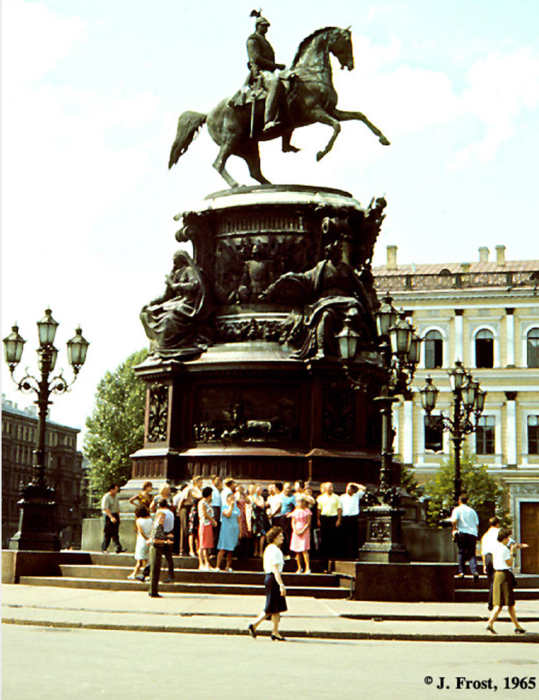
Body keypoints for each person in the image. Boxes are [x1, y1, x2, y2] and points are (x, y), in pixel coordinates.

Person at [246, 12, 286, 132]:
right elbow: (256, 58)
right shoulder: (253, 39)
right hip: (260, 72)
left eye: (267, 26)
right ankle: (268, 120)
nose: (266, 28)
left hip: (269, 71)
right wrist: (276, 65)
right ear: (258, 26)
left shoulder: (264, 40)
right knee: (274, 83)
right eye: (264, 26)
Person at [247, 526, 287, 641]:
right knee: (271, 607)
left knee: (276, 607)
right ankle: (254, 624)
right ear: (274, 538)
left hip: (269, 578)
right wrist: (281, 585)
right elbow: (275, 570)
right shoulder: (275, 551)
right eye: (280, 536)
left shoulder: (269, 549)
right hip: (274, 578)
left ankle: (275, 631)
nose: (282, 538)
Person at [486, 529, 526, 634]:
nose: (508, 539)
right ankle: (490, 623)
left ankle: (516, 625)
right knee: (508, 602)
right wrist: (512, 552)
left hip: (497, 574)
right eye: (507, 537)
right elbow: (509, 563)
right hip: (504, 575)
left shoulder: (495, 548)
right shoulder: (505, 550)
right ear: (504, 538)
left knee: (500, 603)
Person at [147, 498, 175, 598]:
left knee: (156, 570)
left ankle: (154, 590)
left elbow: (158, 536)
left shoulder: (160, 526)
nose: (162, 520)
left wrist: (167, 536)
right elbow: (154, 540)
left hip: (158, 547)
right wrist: (165, 541)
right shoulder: (157, 526)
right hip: (156, 548)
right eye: (161, 518)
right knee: (154, 570)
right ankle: (152, 591)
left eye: (163, 518)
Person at [450, 493, 479, 581]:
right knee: (471, 553)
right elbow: (477, 524)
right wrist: (476, 533)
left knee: (461, 552)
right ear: (467, 501)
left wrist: (454, 530)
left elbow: (454, 520)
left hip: (462, 532)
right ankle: (474, 570)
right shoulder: (472, 511)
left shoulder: (457, 509)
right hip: (472, 533)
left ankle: (461, 571)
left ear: (459, 501)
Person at [339, 482, 366, 559]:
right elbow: (340, 508)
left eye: (350, 489)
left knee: (354, 537)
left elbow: (364, 488)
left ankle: (354, 555)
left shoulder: (356, 496)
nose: (348, 490)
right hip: (345, 518)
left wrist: (354, 484)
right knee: (344, 537)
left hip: (354, 518)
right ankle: (345, 555)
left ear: (353, 490)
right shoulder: (342, 497)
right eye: (347, 488)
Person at [317, 481, 342, 561]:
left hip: (333, 518)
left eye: (331, 487)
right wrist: (318, 519)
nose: (330, 489)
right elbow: (319, 510)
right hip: (324, 518)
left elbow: (339, 509)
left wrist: (339, 520)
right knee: (324, 537)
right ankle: (324, 556)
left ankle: (333, 555)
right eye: (329, 487)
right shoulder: (320, 497)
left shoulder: (336, 497)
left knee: (333, 537)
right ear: (325, 488)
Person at [216, 492, 241, 571]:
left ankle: (228, 566)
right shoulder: (224, 507)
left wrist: (240, 531)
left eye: (233, 498)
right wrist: (231, 506)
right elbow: (228, 514)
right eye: (231, 498)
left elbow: (239, 521)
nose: (233, 500)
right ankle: (218, 566)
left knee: (230, 550)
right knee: (223, 548)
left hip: (234, 531)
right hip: (226, 530)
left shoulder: (237, 509)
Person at [481, 516, 501, 611]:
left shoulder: (486, 535)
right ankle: (492, 602)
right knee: (496, 581)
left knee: (491, 581)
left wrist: (484, 564)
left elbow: (483, 551)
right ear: (498, 524)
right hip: (497, 556)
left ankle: (492, 601)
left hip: (488, 557)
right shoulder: (500, 533)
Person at [128, 506, 153, 579]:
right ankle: (134, 574)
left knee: (143, 559)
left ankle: (146, 575)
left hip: (142, 541)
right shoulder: (150, 520)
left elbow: (140, 531)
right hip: (149, 540)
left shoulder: (139, 520)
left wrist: (146, 538)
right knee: (140, 559)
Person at [289, 497, 312, 573]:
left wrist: (303, 530)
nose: (301, 503)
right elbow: (293, 522)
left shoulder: (307, 511)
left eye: (302, 502)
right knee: (297, 550)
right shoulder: (295, 511)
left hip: (304, 531)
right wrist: (295, 530)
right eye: (299, 502)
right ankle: (299, 567)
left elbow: (308, 522)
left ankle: (307, 568)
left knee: (304, 549)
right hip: (296, 531)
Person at [101, 484, 126, 554]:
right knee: (108, 533)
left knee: (115, 533)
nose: (117, 491)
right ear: (111, 490)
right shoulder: (106, 497)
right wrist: (111, 517)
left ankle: (118, 547)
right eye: (116, 490)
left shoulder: (116, 497)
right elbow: (106, 508)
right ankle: (104, 548)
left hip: (115, 514)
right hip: (108, 515)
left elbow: (117, 508)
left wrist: (118, 518)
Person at [198, 487, 217, 571]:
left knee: (207, 545)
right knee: (202, 545)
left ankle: (207, 563)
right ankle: (201, 563)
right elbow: (204, 514)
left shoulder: (208, 503)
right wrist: (213, 520)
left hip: (208, 525)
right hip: (204, 524)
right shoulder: (202, 503)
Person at [249, 484, 267, 557]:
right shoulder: (254, 497)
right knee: (255, 535)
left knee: (262, 534)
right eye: (258, 489)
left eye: (260, 489)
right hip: (256, 517)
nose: (259, 491)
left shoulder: (261, 497)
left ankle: (261, 551)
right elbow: (261, 505)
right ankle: (256, 551)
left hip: (261, 517)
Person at [280, 482, 296, 555]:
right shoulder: (283, 496)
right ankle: (284, 552)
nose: (287, 490)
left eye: (289, 488)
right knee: (282, 534)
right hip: (282, 517)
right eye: (286, 488)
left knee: (288, 534)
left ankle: (290, 552)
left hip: (288, 518)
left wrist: (291, 513)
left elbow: (297, 507)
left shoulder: (293, 498)